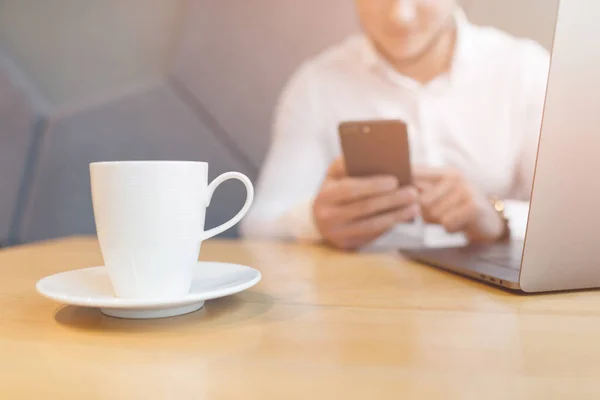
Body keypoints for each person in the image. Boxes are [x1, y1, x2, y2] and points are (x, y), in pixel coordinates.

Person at [240, 0, 550, 251]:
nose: (400, 15)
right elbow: (259, 226)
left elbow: (577, 224)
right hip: (365, 301)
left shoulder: (526, 70)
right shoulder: (317, 84)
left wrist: (500, 219)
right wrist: (315, 221)